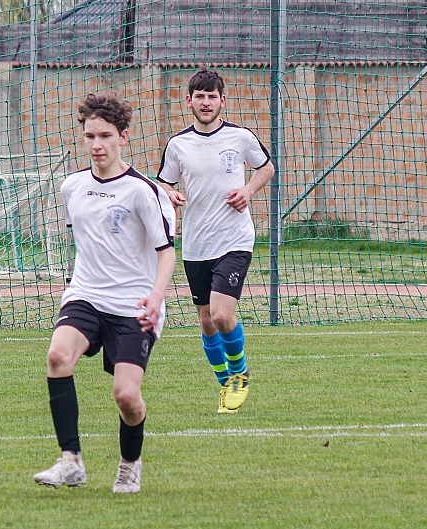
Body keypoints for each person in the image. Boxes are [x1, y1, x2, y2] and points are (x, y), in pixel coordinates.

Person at [37, 93, 176, 495]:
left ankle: (130, 465)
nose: (97, 145)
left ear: (123, 137)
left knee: (126, 396)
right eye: (90, 136)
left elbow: (166, 252)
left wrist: (156, 298)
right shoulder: (72, 187)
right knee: (58, 357)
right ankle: (70, 462)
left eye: (105, 136)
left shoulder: (143, 191)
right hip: (86, 294)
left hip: (134, 304)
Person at [156, 68, 274, 412]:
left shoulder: (241, 137)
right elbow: (164, 182)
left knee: (222, 315)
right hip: (196, 244)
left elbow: (266, 167)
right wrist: (170, 195)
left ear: (223, 101)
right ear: (188, 101)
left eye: (212, 96)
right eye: (200, 96)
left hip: (234, 238)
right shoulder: (178, 144)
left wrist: (247, 191)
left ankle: (239, 374)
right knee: (206, 321)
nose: (206, 102)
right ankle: (226, 384)